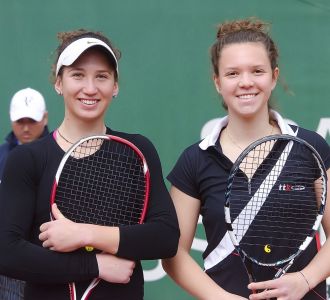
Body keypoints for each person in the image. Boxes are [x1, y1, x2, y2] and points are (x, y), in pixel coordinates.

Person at [0, 29, 179, 300]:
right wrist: (94, 265)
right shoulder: (27, 159)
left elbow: (165, 237)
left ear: (115, 86)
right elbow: (8, 253)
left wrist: (84, 234)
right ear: (58, 83)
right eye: (78, 75)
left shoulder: (137, 151)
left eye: (102, 77)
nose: (90, 88)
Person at [162, 17, 330, 300]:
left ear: (274, 76)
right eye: (232, 74)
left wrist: (304, 280)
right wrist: (223, 299)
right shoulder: (195, 160)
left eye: (257, 71)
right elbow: (173, 255)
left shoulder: (310, 147)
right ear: (217, 82)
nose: (246, 82)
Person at [0, 87, 49, 300]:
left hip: (47, 259)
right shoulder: (1, 156)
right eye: (20, 121)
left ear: (45, 118)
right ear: (11, 120)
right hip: (8, 262)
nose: (26, 128)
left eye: (32, 120)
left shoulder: (59, 152)